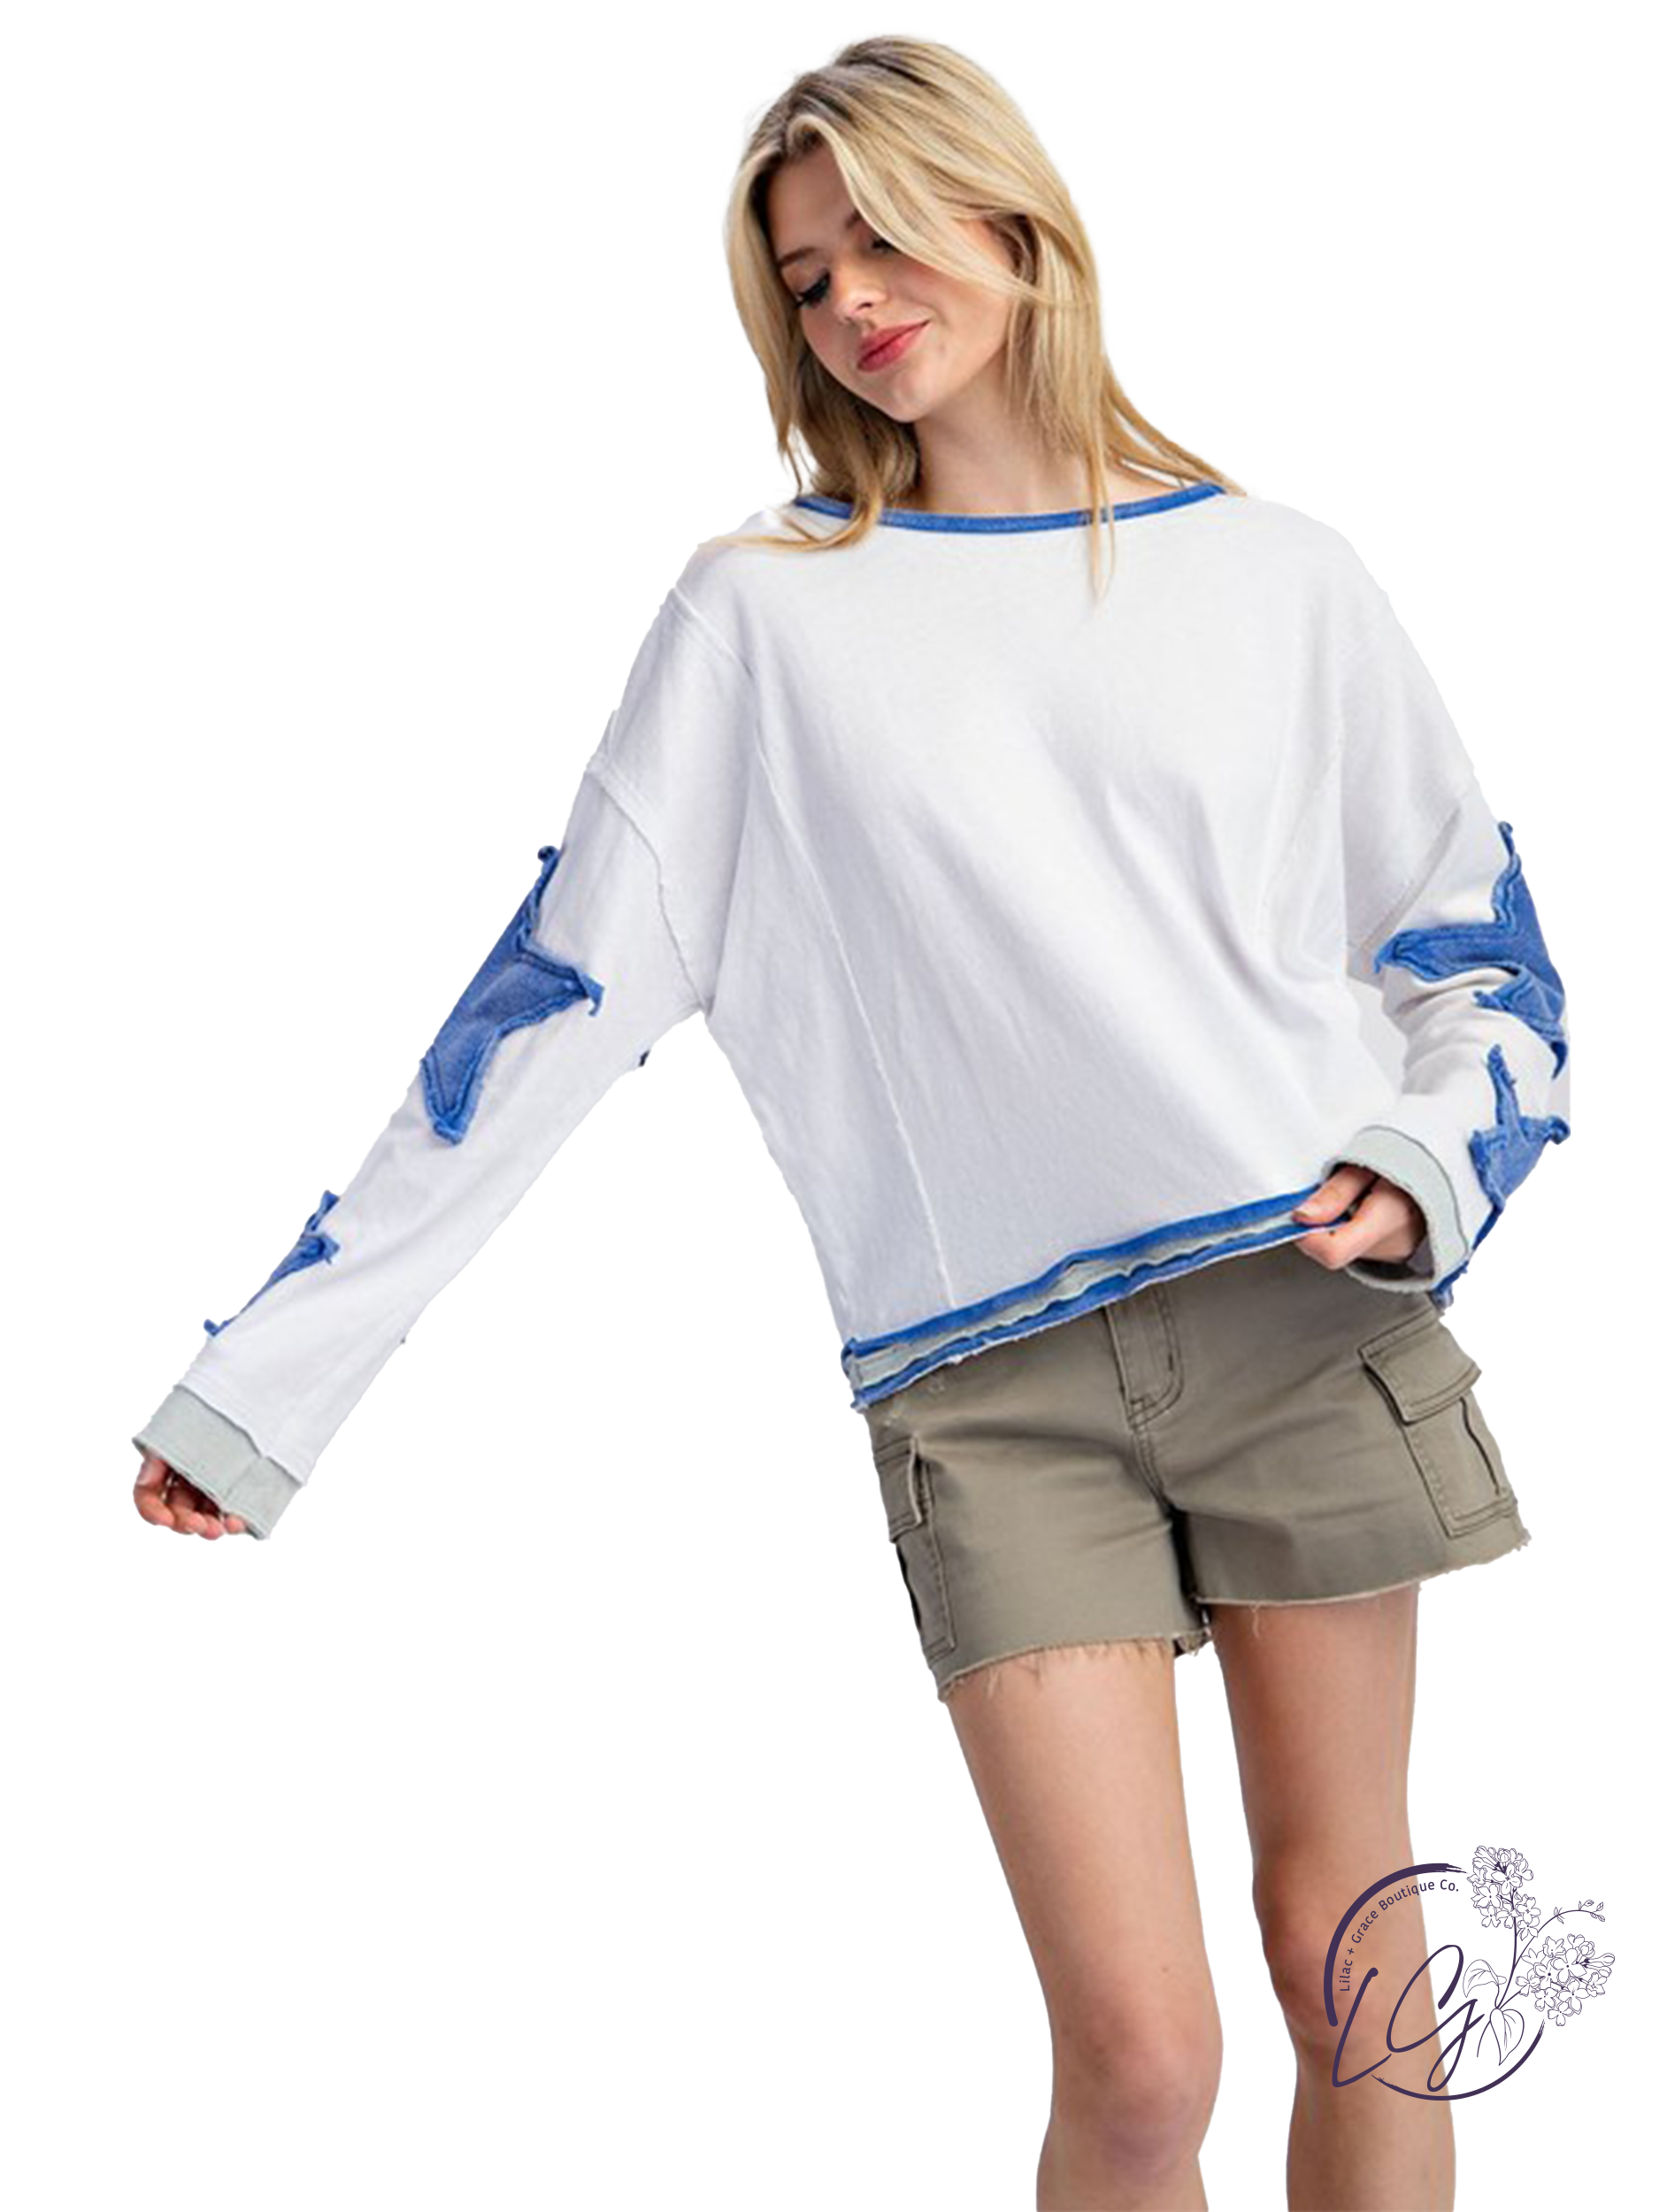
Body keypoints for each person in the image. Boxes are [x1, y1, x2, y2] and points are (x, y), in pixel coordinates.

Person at [130, 35, 1570, 2212]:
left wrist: (1430, 1159)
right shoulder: (759, 621)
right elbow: (536, 1018)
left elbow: (1489, 967)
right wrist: (265, 1386)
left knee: (1343, 1959)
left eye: (884, 240)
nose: (853, 304)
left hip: (1300, 1316)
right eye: (806, 280)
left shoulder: (1282, 576)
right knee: (1141, 2056)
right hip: (987, 1390)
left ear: (1014, 223)